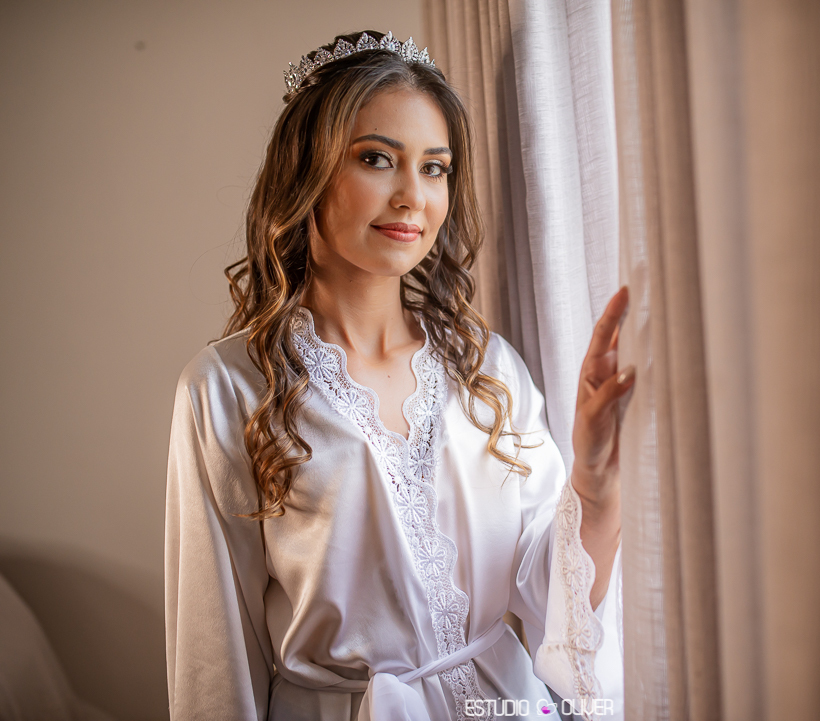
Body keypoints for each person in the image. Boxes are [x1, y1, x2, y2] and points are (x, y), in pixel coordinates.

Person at [165, 30, 632, 721]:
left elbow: (555, 603)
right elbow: (215, 648)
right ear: (306, 170)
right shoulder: (228, 388)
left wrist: (593, 479)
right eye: (377, 159)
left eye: (435, 168)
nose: (413, 196)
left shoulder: (487, 368)